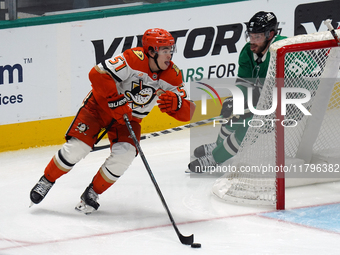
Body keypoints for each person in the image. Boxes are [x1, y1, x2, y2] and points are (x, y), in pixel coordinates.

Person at [30, 28, 195, 214]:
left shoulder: (172, 75)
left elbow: (189, 112)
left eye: (170, 50)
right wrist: (115, 100)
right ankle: (47, 179)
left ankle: (92, 192)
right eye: (164, 50)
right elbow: (96, 74)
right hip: (99, 108)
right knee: (78, 148)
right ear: (151, 51)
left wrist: (178, 105)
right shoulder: (132, 59)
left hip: (128, 119)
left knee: (125, 155)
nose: (169, 55)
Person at [188, 11, 287, 172]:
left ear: (271, 35)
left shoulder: (283, 50)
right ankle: (219, 145)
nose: (252, 41)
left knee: (250, 124)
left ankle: (215, 158)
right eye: (250, 36)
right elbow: (244, 84)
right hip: (266, 97)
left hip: (289, 104)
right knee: (235, 110)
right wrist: (235, 101)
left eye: (257, 37)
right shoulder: (248, 51)